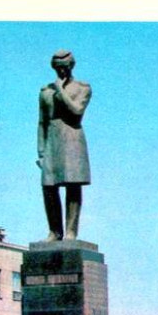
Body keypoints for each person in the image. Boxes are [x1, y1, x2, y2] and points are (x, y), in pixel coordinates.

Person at [37, 50, 92, 240]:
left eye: (65, 67)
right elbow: (42, 122)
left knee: (73, 185)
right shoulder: (45, 92)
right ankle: (55, 231)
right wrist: (41, 152)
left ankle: (70, 231)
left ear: (71, 66)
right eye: (58, 68)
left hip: (73, 139)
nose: (61, 71)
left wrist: (60, 91)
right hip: (52, 141)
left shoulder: (82, 88)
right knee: (49, 187)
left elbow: (77, 111)